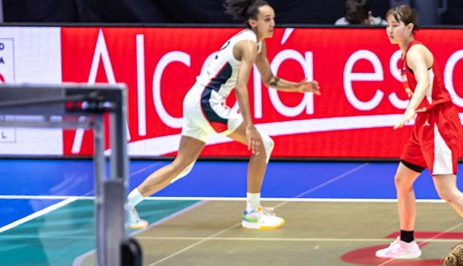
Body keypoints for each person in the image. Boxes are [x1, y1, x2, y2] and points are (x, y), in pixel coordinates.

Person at [125, 1, 321, 231]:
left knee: (182, 165)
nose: (272, 24)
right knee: (264, 144)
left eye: (273, 19)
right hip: (207, 101)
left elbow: (270, 80)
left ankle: (128, 204)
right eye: (267, 19)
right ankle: (252, 213)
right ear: (253, 22)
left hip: (196, 101)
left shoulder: (258, 45)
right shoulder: (248, 44)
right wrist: (249, 126)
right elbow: (240, 86)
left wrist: (298, 87)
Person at [376, 5, 463, 264]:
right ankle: (406, 242)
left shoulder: (415, 51)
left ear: (410, 27)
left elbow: (424, 83)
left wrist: (409, 109)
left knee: (447, 191)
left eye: (395, 25)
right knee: (403, 180)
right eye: (388, 25)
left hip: (438, 121)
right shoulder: (403, 55)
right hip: (424, 124)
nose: (390, 30)